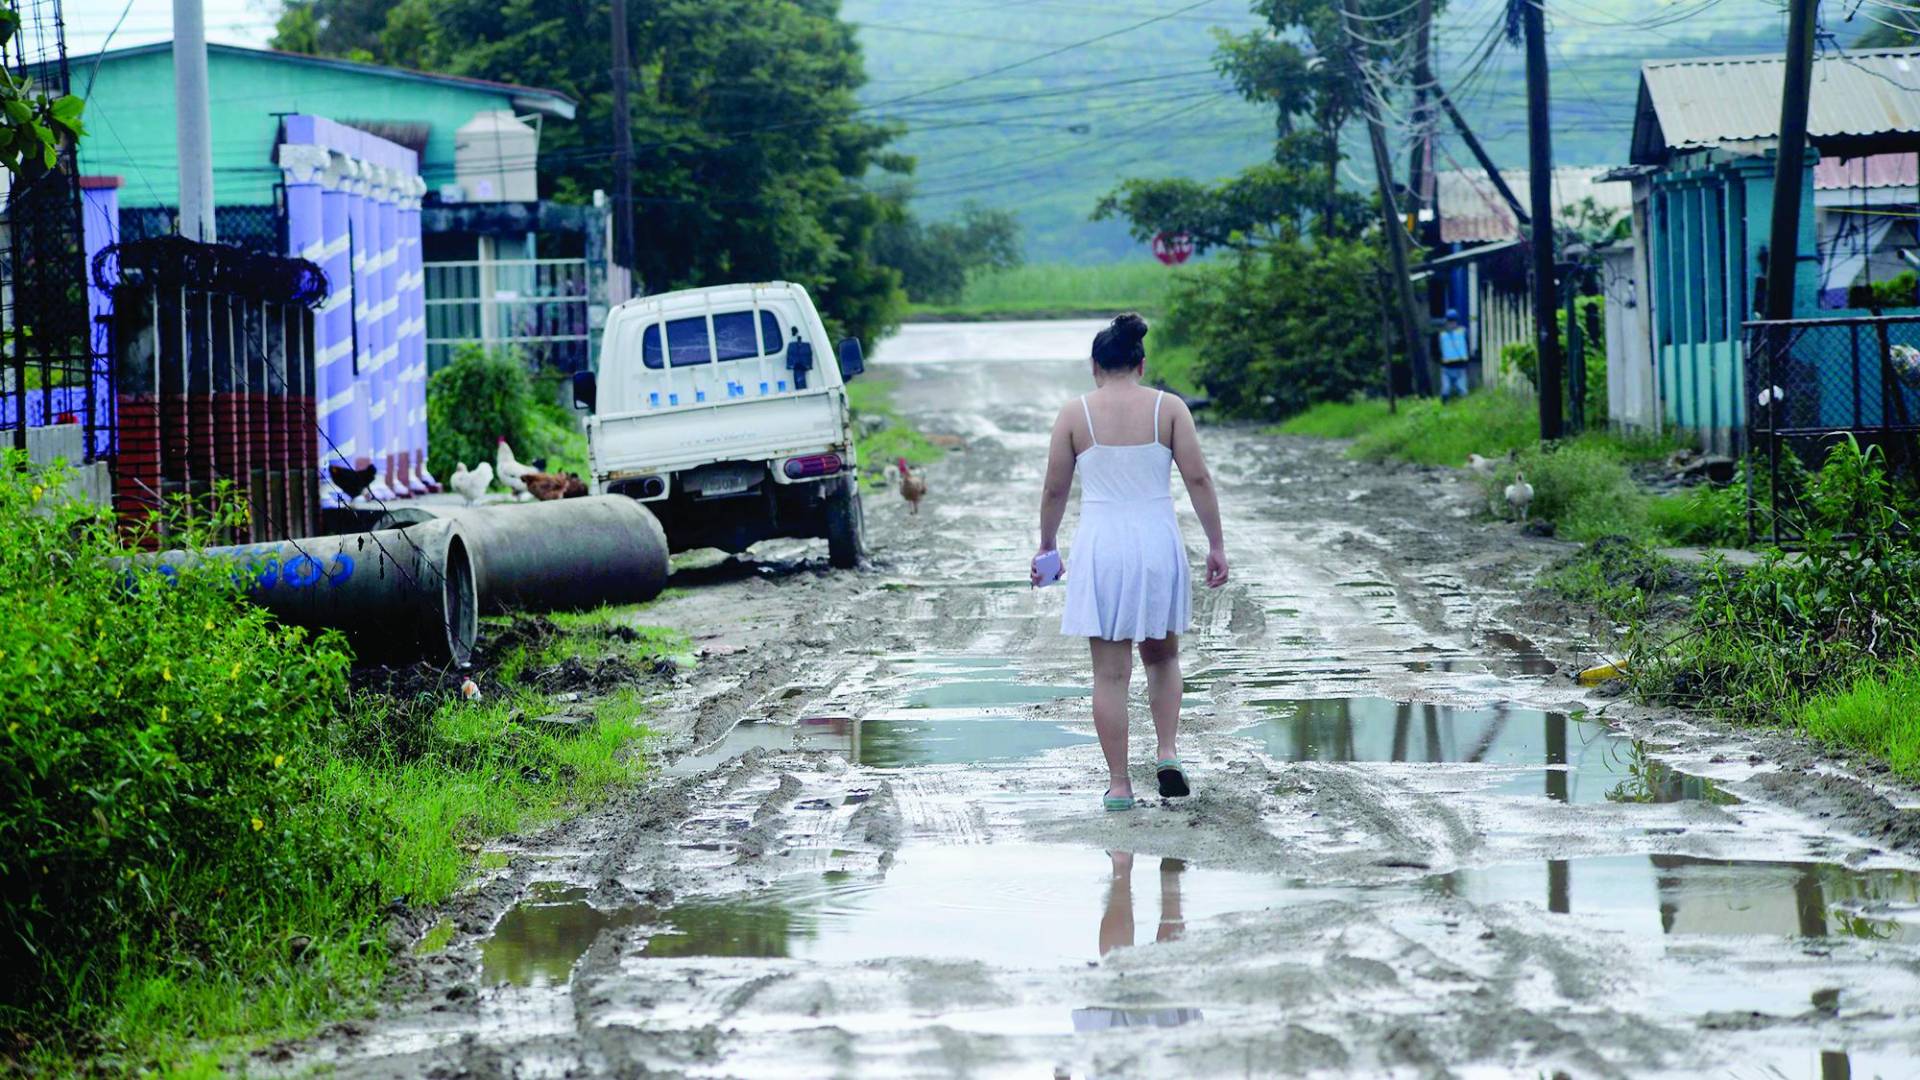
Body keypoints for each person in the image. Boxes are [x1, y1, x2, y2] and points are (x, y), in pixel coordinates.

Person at [1033, 313, 1228, 812]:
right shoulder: (1170, 408)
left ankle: (1119, 786)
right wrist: (1216, 545)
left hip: (1103, 546)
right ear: (1141, 364)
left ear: (1096, 365)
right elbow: (1199, 480)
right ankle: (1166, 752)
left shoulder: (1075, 414)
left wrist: (1047, 545)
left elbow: (1056, 488)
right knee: (1163, 657)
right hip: (1157, 541)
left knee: (1110, 675)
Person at [1438, 308, 1471, 401]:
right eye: (1449, 321)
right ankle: (1443, 407)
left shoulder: (1462, 332)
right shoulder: (1442, 335)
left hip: (1460, 366)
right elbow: (1439, 349)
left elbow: (1467, 345)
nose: (1452, 324)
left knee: (1463, 390)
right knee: (1445, 390)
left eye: (1453, 321)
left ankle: (1464, 410)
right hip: (1446, 367)